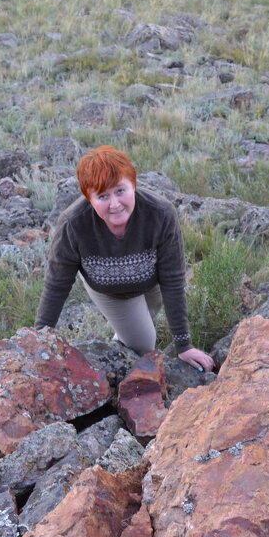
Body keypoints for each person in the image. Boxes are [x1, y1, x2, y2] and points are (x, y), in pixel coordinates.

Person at [35, 146, 217, 372]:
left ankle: (117, 351)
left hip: (152, 282)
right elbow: (56, 285)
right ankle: (121, 370)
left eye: (120, 190)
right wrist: (38, 343)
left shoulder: (160, 213)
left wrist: (183, 345)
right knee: (143, 343)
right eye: (102, 196)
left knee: (136, 328)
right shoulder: (73, 224)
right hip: (109, 289)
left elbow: (172, 280)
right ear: (88, 197)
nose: (114, 204)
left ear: (134, 184)